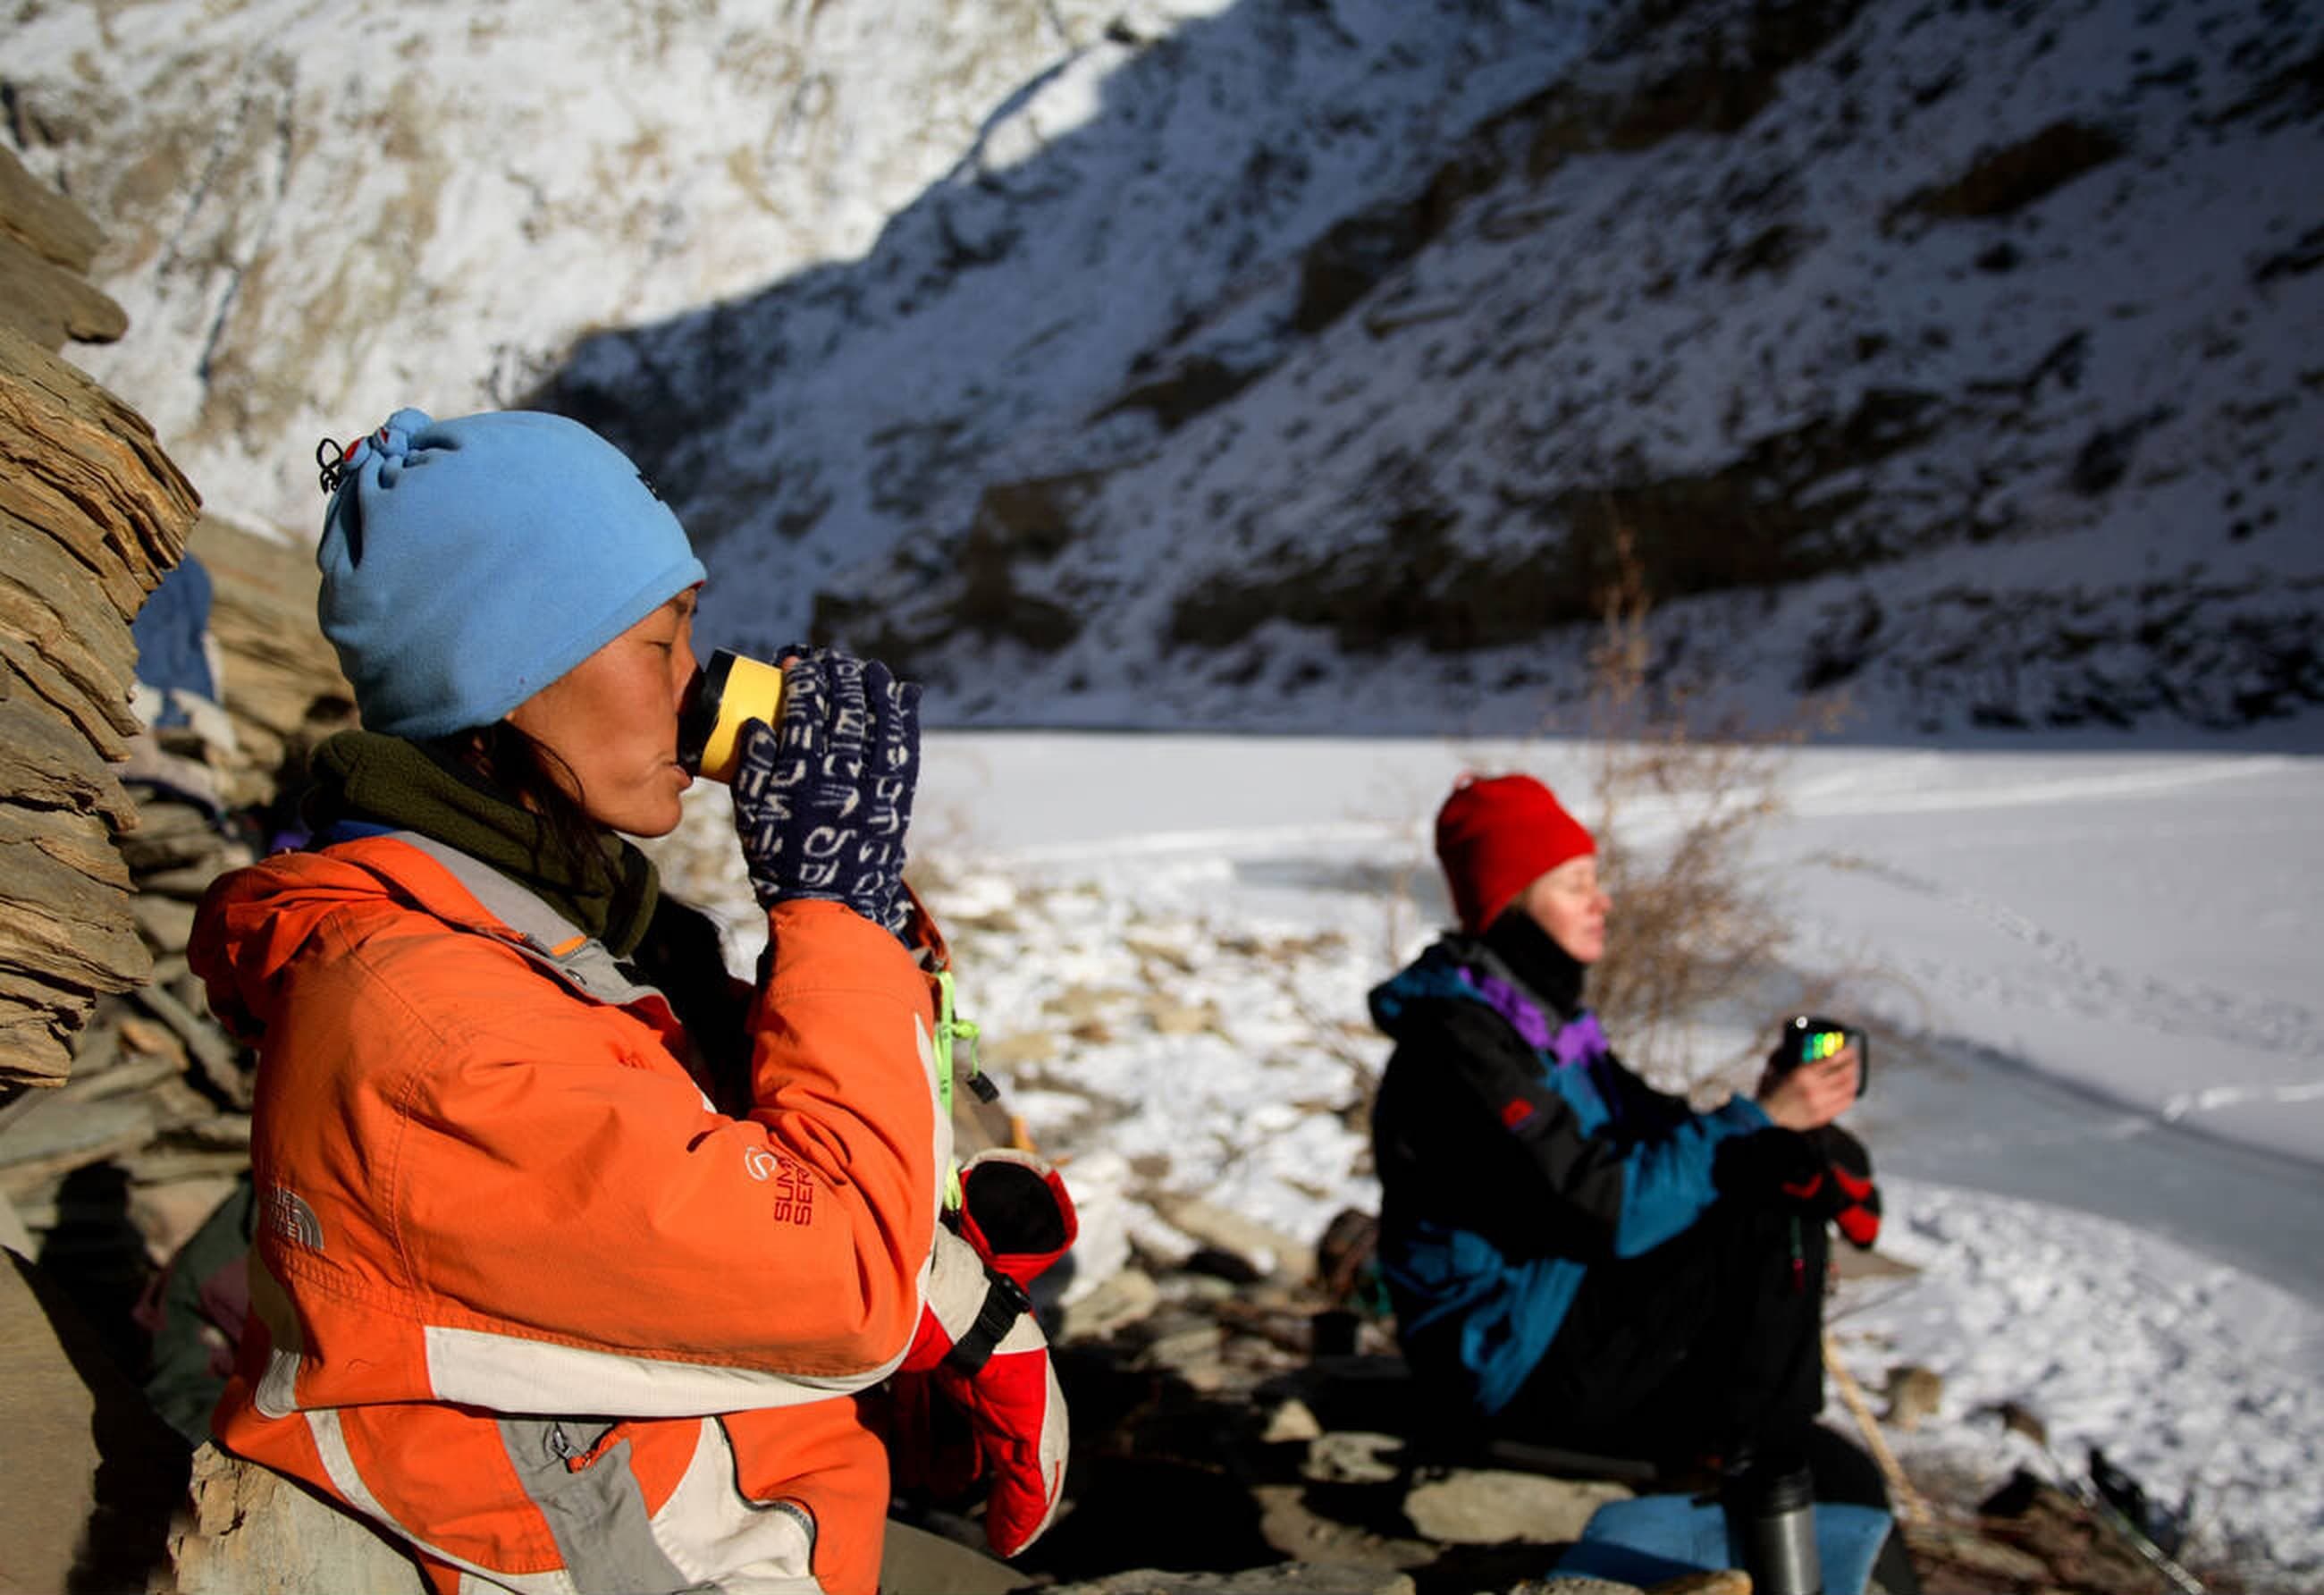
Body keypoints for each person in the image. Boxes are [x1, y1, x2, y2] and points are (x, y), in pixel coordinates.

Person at [188, 408, 1066, 1595]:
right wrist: (835, 916)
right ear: (507, 674)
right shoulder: (430, 1019)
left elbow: (794, 1162)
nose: (696, 690)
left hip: (753, 1508)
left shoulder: (565, 929)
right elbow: (843, 1282)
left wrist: (871, 925)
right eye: (660, 643)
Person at [1368, 772, 1887, 1501]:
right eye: (1575, 885)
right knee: (1761, 1213)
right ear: (1512, 900)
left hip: (1559, 1304)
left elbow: (1661, 1130)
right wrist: (1760, 1120)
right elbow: (1603, 1203)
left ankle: (1763, 1444)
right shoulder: (1462, 1049)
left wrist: (1784, 1121)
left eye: (1595, 880)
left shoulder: (1545, 1024)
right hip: (1505, 1353)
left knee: (1763, 1173)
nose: (1601, 901)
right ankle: (1757, 1465)